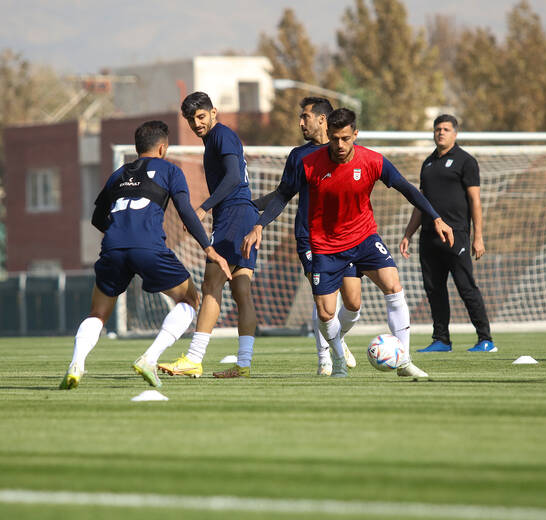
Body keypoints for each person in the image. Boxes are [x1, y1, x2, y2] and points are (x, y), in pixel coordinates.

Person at [241, 108, 454, 378]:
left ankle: (404, 361)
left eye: (345, 138)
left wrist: (436, 218)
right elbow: (283, 195)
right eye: (334, 139)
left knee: (393, 286)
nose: (339, 145)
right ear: (328, 135)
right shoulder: (309, 164)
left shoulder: (373, 160)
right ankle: (338, 360)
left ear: (355, 135)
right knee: (326, 312)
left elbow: (407, 188)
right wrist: (259, 225)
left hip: (364, 238)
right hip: (326, 246)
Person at [59, 121, 231, 389]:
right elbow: (185, 211)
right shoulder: (170, 170)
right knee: (189, 299)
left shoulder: (118, 174)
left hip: (113, 247)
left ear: (138, 147)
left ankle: (76, 364)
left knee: (98, 313)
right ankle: (149, 358)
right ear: (162, 148)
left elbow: (96, 218)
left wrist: (120, 232)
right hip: (148, 247)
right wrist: (209, 249)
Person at [250, 96, 360, 376]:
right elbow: (283, 194)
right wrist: (255, 215)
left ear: (322, 119)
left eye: (305, 117)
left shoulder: (346, 151)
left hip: (346, 236)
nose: (300, 123)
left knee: (353, 303)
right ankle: (325, 359)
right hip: (310, 236)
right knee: (322, 298)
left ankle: (337, 338)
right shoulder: (299, 156)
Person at [158, 92, 260, 379]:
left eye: (201, 116)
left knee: (211, 284)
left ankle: (193, 358)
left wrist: (204, 207)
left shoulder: (220, 135)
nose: (197, 124)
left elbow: (233, 178)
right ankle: (243, 364)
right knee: (241, 291)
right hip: (243, 215)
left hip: (234, 215)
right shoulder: (216, 139)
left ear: (214, 112)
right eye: (191, 120)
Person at [399, 114, 495, 353]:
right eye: (437, 129)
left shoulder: (466, 161)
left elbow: (475, 201)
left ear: (455, 133)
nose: (441, 132)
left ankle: (485, 339)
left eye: (446, 129)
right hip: (429, 238)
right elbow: (420, 203)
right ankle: (441, 339)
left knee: (466, 287)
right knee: (434, 290)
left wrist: (478, 237)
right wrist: (408, 234)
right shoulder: (427, 164)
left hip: (456, 236)